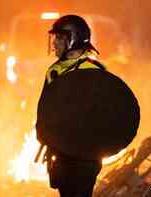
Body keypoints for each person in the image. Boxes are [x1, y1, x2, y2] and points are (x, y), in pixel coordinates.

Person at [37, 15, 107, 197]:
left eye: (60, 38)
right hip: (60, 155)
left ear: (74, 38)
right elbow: (45, 109)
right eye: (55, 38)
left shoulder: (92, 70)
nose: (55, 43)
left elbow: (104, 114)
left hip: (85, 156)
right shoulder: (54, 71)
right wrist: (44, 134)